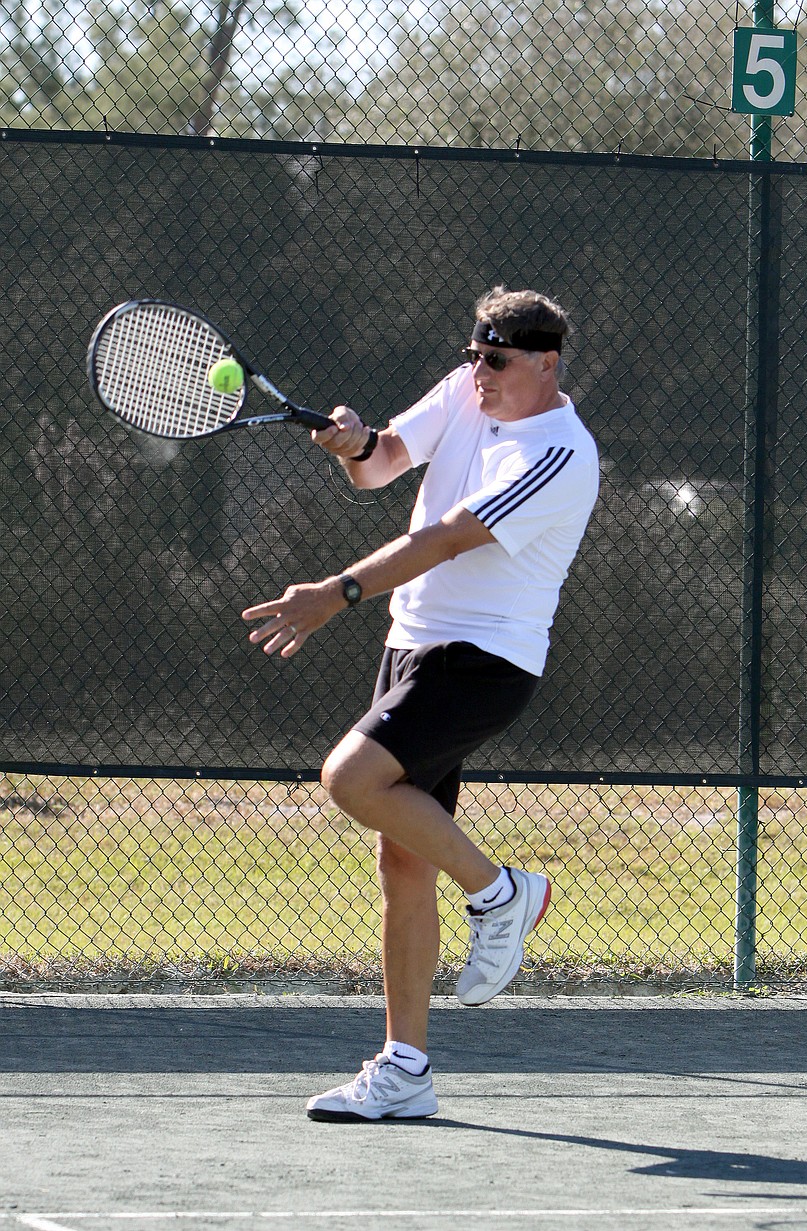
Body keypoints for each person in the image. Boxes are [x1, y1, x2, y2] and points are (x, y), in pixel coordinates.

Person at [242, 286, 599, 1123]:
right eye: (476, 354)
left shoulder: (558, 451)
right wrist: (354, 443)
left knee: (351, 777)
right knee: (401, 857)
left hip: (483, 655)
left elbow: (444, 538)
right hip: (413, 642)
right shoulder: (464, 388)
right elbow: (385, 464)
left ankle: (502, 892)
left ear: (545, 364)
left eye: (499, 359)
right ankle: (406, 1069)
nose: (481, 371)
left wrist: (337, 590)